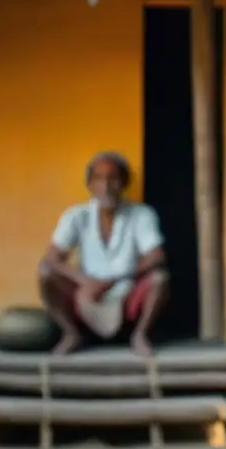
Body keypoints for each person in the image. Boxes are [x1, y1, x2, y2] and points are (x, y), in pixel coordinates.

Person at [38, 152, 168, 356]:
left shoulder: (142, 214)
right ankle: (72, 334)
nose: (106, 186)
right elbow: (52, 258)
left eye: (113, 179)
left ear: (124, 183)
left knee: (160, 278)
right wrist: (83, 280)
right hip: (86, 292)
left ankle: (140, 335)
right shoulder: (76, 215)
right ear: (89, 184)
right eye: (99, 179)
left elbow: (156, 256)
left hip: (126, 290)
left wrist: (110, 281)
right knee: (46, 272)